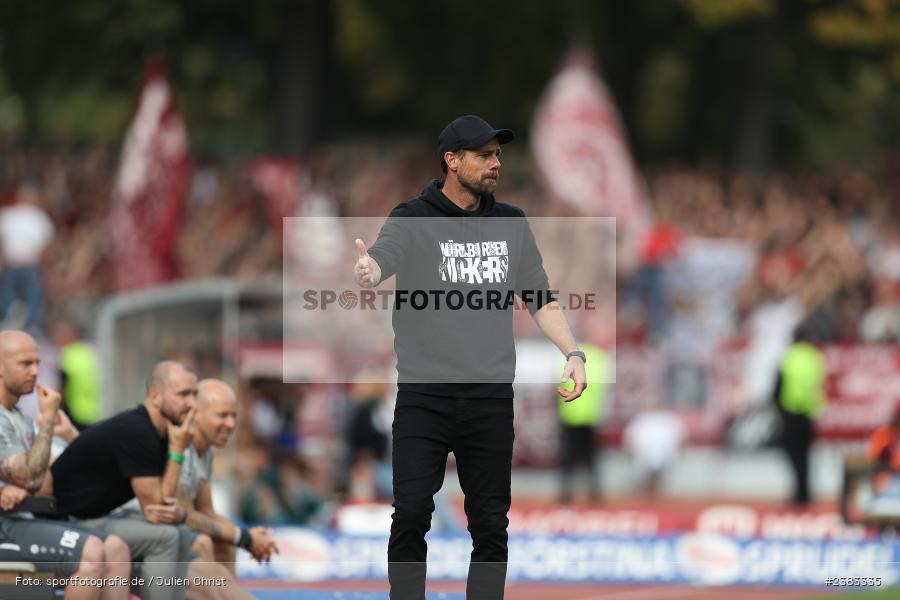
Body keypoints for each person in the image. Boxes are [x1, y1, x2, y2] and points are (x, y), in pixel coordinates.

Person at [353, 115, 587, 599]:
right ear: (452, 161)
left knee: (490, 523)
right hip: (425, 395)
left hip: (490, 397)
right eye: (484, 155)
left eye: (498, 154)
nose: (495, 163)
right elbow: (382, 257)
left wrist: (573, 352)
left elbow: (539, 297)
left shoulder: (512, 223)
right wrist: (369, 268)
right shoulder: (412, 217)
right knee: (412, 511)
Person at [0, 330, 131, 600]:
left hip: (24, 518)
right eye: (25, 364)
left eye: (37, 363)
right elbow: (27, 474)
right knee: (92, 551)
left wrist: (27, 486)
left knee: (116, 549)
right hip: (6, 524)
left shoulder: (20, 416)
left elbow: (46, 479)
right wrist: (47, 420)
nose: (35, 371)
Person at [51, 360, 198, 600]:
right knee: (165, 537)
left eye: (195, 394)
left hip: (96, 517)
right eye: (183, 394)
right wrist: (178, 450)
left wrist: (176, 447)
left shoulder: (163, 432)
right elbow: (156, 509)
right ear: (154, 395)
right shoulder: (137, 430)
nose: (192, 403)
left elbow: (166, 506)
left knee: (179, 532)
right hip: (65, 521)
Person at [173, 378, 278, 571]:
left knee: (225, 544)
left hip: (173, 527)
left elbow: (207, 511)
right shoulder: (182, 448)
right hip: (142, 525)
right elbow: (187, 516)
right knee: (202, 543)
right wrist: (244, 537)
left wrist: (245, 535)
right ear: (196, 415)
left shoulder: (206, 452)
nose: (230, 424)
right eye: (222, 415)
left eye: (234, 416)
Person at [773, 326, 827, 507]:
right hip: (808, 414)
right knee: (805, 456)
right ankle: (806, 493)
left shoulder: (789, 357)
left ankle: (799, 493)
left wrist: (777, 407)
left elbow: (778, 384)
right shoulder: (815, 357)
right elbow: (820, 384)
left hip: (790, 412)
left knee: (793, 455)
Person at [557, 343, 610, 504]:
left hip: (571, 415)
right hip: (590, 417)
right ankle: (594, 494)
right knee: (590, 459)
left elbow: (559, 384)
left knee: (569, 459)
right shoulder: (600, 358)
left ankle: (567, 494)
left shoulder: (567, 359)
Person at [0, 184, 54, 334]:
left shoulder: (9, 215)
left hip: (20, 264)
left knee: (21, 296)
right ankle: (26, 323)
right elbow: (46, 247)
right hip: (23, 264)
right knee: (16, 296)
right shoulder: (38, 217)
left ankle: (25, 323)